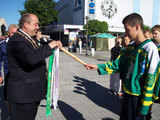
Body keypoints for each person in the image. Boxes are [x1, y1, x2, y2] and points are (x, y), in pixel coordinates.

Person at [84, 13, 160, 120]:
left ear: (137, 27)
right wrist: (97, 67)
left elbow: (152, 79)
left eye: (127, 29)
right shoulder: (131, 46)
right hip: (127, 94)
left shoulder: (150, 49)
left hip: (138, 98)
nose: (126, 33)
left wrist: (144, 107)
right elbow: (118, 64)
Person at [6, 13, 62, 120]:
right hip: (23, 96)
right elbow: (31, 58)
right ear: (26, 25)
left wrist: (52, 43)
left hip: (32, 93)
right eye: (35, 24)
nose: (38, 27)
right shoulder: (17, 40)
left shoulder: (30, 38)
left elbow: (38, 50)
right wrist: (50, 47)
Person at [0, 24, 18, 120]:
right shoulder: (2, 44)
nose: (14, 35)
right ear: (8, 32)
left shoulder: (22, 43)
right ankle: (10, 114)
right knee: (7, 97)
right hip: (8, 74)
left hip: (20, 75)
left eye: (16, 33)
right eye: (12, 33)